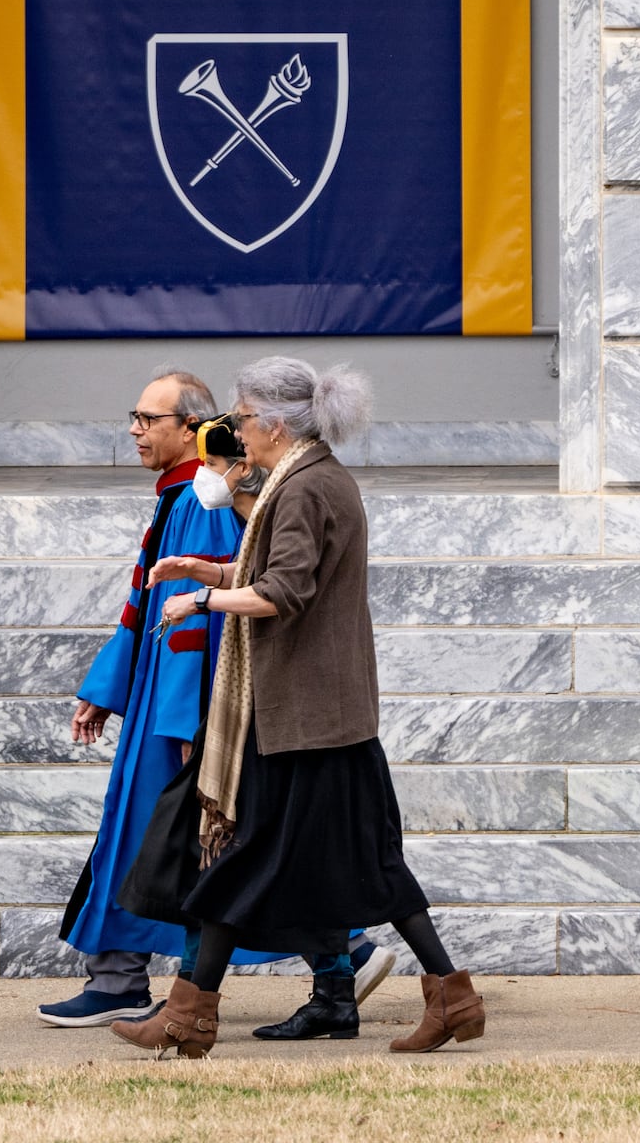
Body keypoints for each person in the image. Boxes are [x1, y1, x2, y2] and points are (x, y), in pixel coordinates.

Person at [110, 358, 484, 1059]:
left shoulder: (307, 488)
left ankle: (190, 1017)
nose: (235, 433)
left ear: (276, 426)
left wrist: (204, 599)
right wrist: (202, 570)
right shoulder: (306, 479)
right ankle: (452, 996)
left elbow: (284, 592)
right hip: (320, 715)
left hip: (306, 719)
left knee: (244, 860)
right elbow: (272, 571)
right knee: (373, 869)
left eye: (244, 420)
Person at [44, 373, 285, 1026]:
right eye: (136, 416)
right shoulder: (179, 498)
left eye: (148, 419)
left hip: (178, 713)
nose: (134, 429)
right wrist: (105, 688)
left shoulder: (200, 503)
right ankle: (120, 976)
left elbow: (193, 627)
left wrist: (187, 721)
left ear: (190, 428)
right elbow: (145, 605)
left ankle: (342, 950)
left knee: (174, 848)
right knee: (149, 847)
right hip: (156, 699)